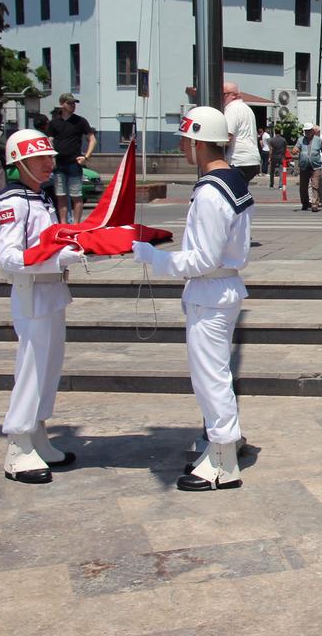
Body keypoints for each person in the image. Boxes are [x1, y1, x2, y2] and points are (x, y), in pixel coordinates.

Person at [132, 106, 253, 492]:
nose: (183, 147)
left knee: (210, 378)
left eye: (186, 140)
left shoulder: (210, 191)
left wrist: (155, 257)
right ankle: (223, 444)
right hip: (220, 288)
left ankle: (221, 460)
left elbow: (203, 258)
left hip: (210, 290)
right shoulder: (231, 181)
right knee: (215, 374)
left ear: (198, 142)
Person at [0, 129, 85, 483]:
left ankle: (37, 436)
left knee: (48, 370)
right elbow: (10, 258)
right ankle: (17, 445)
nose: (49, 164)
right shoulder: (13, 202)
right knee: (31, 369)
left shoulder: (37, 197)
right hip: (32, 294)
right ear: (19, 162)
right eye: (39, 159)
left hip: (50, 293)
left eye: (50, 158)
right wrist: (59, 260)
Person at [45, 93, 97, 225]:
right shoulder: (54, 123)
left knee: (76, 195)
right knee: (61, 195)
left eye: (74, 103)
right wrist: (52, 158)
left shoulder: (80, 121)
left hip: (74, 163)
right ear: (62, 104)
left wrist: (86, 157)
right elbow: (49, 141)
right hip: (59, 164)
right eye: (69, 103)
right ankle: (63, 223)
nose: (73, 106)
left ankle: (76, 224)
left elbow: (92, 139)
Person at [222, 82, 261, 183]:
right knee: (241, 192)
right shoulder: (246, 108)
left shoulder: (232, 108)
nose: (221, 98)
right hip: (251, 159)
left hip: (238, 159)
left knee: (232, 193)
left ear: (234, 95)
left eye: (223, 94)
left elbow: (227, 137)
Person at [294, 123, 322, 212]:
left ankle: (314, 204)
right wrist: (295, 150)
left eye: (309, 130)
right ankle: (305, 203)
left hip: (316, 166)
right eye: (305, 131)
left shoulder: (318, 140)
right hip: (304, 166)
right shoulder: (300, 140)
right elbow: (295, 149)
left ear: (312, 131)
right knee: (303, 187)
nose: (307, 132)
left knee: (315, 185)